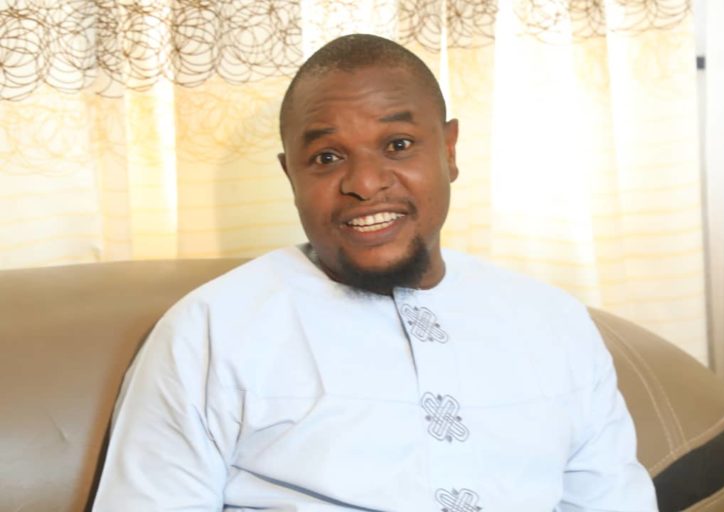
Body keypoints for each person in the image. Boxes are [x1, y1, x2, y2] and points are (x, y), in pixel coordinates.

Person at [93, 34, 657, 511]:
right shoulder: (210, 330)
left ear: (450, 151)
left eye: (398, 144)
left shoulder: (555, 324)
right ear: (291, 176)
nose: (365, 183)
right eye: (327, 157)